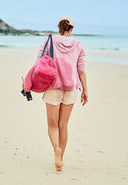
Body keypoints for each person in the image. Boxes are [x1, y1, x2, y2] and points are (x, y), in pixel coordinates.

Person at [35, 15, 88, 172]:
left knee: (52, 125)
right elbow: (81, 70)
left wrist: (30, 81)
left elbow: (39, 61)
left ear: (59, 27)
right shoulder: (78, 45)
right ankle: (61, 159)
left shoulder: (50, 40)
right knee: (63, 125)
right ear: (71, 29)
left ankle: (56, 150)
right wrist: (85, 89)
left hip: (53, 87)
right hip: (71, 89)